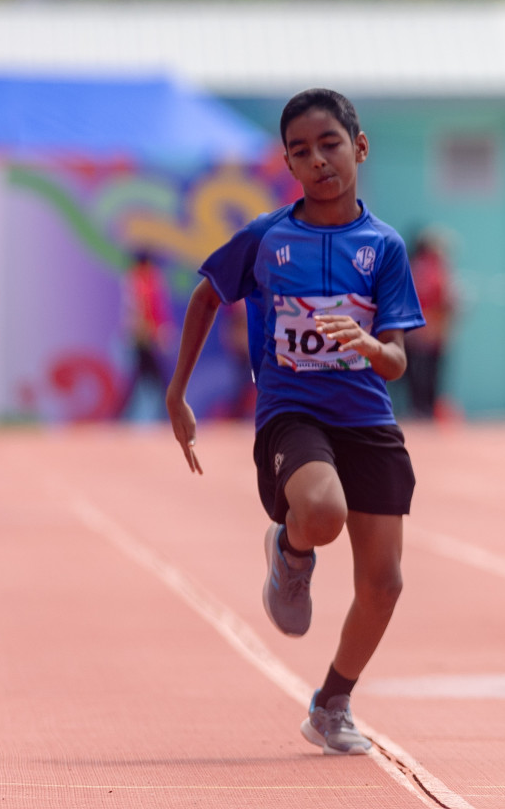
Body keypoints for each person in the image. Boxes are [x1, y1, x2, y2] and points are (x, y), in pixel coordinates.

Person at [165, 89, 425, 755]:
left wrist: (369, 346)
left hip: (366, 417)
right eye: (301, 152)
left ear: (359, 147)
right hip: (293, 414)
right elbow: (204, 297)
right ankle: (291, 551)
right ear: (288, 163)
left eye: (330, 145)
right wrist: (177, 391)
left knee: (385, 583)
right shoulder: (267, 237)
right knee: (322, 510)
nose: (318, 161)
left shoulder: (386, 249)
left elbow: (396, 360)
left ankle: (332, 702)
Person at [406, 229, 456, 418]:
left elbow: (448, 298)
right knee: (421, 369)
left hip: (433, 326)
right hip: (423, 326)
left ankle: (427, 405)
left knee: (431, 369)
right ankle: (421, 406)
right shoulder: (420, 267)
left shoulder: (439, 266)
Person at [117, 250, 172, 419]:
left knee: (140, 380)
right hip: (145, 337)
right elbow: (149, 310)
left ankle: (118, 416)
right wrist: (157, 332)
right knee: (159, 379)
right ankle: (169, 415)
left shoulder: (134, 279)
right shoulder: (145, 280)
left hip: (140, 335)